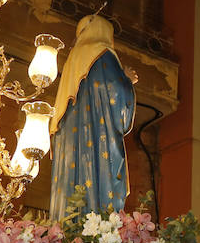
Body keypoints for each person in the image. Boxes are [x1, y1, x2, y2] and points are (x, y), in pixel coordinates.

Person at [49, 14, 138, 219]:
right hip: (98, 139)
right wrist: (126, 80)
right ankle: (96, 226)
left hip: (70, 144)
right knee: (99, 194)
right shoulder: (103, 54)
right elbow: (116, 94)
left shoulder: (72, 61)